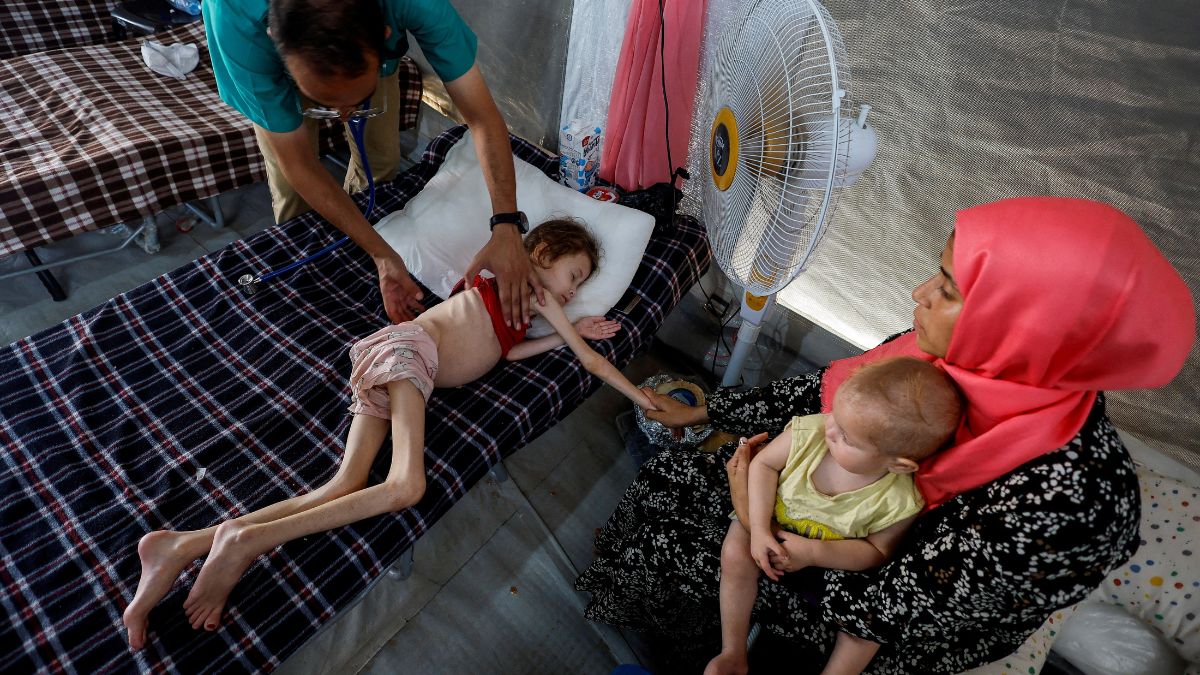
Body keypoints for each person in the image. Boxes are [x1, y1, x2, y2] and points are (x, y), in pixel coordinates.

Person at [575, 197, 1195, 672]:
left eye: (947, 289)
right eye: (937, 275)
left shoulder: (1069, 504)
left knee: (680, 541)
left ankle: (704, 652)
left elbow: (890, 604)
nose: (918, 294)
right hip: (837, 518)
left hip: (885, 606)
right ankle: (681, 631)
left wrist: (750, 515)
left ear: (1025, 324)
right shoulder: (955, 357)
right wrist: (711, 411)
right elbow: (833, 398)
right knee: (670, 479)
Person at [123, 219, 656, 649]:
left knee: (343, 484)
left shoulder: (516, 308)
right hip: (410, 354)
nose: (574, 291)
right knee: (406, 486)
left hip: (396, 354)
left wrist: (566, 334)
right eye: (574, 275)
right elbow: (590, 360)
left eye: (580, 285)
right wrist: (641, 398)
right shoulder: (528, 286)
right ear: (542, 254)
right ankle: (245, 541)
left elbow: (508, 352)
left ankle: (178, 546)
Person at [203, 0, 539, 328]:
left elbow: (482, 118)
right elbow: (300, 165)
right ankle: (311, 285)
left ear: (384, 33)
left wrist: (506, 224)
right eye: (326, 102)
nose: (344, 116)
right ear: (274, 36)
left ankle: (365, 250)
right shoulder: (236, 21)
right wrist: (382, 254)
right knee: (293, 195)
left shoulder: (419, 5)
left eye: (357, 100)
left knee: (380, 162)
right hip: (264, 50)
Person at [707, 357, 962, 675]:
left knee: (869, 630)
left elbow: (877, 551)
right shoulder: (809, 433)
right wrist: (758, 529)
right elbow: (763, 465)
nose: (829, 430)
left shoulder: (900, 500)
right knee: (735, 552)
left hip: (832, 560)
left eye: (847, 438)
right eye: (834, 416)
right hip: (769, 525)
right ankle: (732, 651)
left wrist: (815, 553)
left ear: (898, 465)